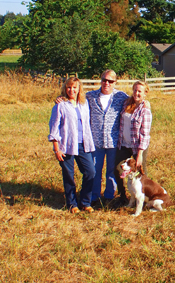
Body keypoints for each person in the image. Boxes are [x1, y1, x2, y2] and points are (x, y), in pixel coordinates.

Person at [48, 77, 96, 213]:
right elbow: (54, 128)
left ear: (79, 88)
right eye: (69, 87)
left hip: (83, 144)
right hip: (66, 145)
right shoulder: (60, 106)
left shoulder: (84, 103)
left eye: (75, 87)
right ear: (65, 89)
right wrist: (56, 149)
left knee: (90, 172)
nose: (72, 90)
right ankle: (72, 204)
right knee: (69, 175)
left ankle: (85, 202)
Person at [85, 70, 129, 206]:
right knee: (95, 170)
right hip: (96, 141)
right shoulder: (90, 96)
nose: (107, 83)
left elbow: (135, 101)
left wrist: (146, 104)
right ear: (101, 80)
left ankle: (110, 196)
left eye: (110, 81)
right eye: (104, 80)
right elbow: (73, 98)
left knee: (112, 171)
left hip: (113, 142)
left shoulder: (121, 96)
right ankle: (94, 197)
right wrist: (60, 98)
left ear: (115, 82)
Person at [115, 81, 152, 203]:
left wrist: (140, 154)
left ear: (145, 93)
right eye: (135, 90)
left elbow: (145, 134)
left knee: (141, 172)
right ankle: (122, 195)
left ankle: (144, 198)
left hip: (138, 146)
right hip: (124, 144)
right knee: (118, 168)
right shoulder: (126, 102)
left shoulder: (145, 110)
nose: (136, 93)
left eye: (140, 91)